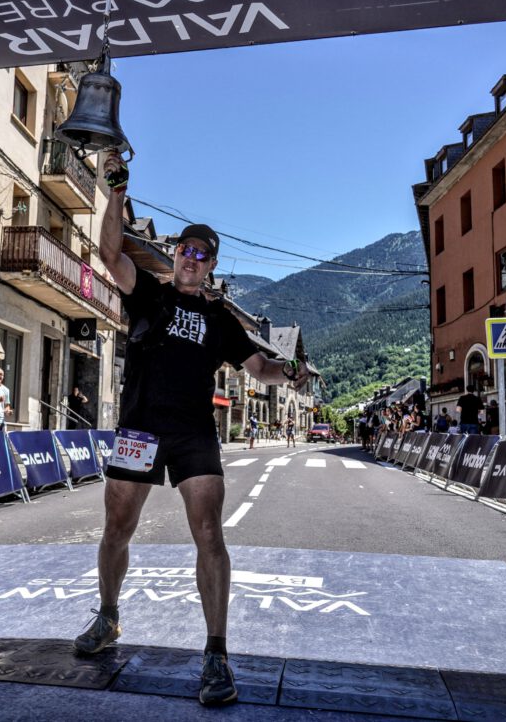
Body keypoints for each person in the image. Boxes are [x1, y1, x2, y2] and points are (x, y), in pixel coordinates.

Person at [74, 151, 311, 706]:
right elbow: (109, 253)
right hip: (138, 429)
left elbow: (260, 368)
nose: (190, 257)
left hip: (195, 434)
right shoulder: (148, 292)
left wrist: (289, 373)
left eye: (202, 254)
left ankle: (216, 653)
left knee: (209, 535)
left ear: (210, 266)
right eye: (185, 248)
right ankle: (107, 616)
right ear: (177, 254)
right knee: (117, 528)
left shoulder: (221, 320)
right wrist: (115, 193)